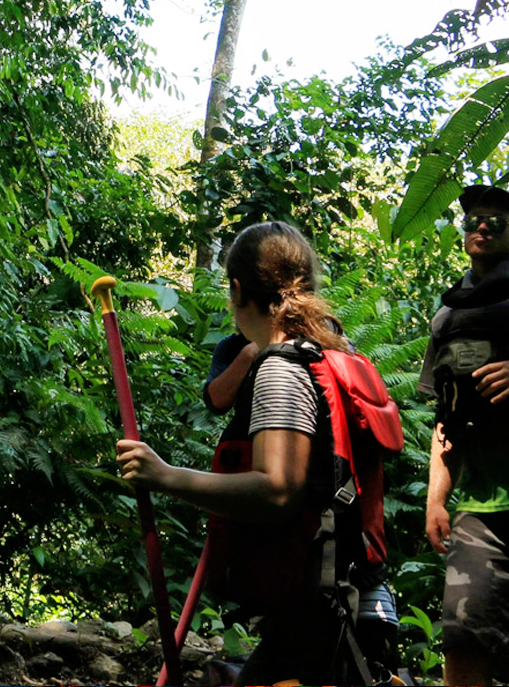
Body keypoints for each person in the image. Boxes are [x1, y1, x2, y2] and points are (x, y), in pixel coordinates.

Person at [117, 221, 393, 686]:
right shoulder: (337, 356)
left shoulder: (282, 370)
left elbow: (277, 489)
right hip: (355, 600)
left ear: (238, 289)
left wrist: (164, 475)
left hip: (320, 614)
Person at [420, 183, 509, 687]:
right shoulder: (448, 319)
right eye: (472, 217)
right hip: (481, 513)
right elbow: (444, 416)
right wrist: (437, 498)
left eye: (495, 218)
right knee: (463, 642)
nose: (480, 224)